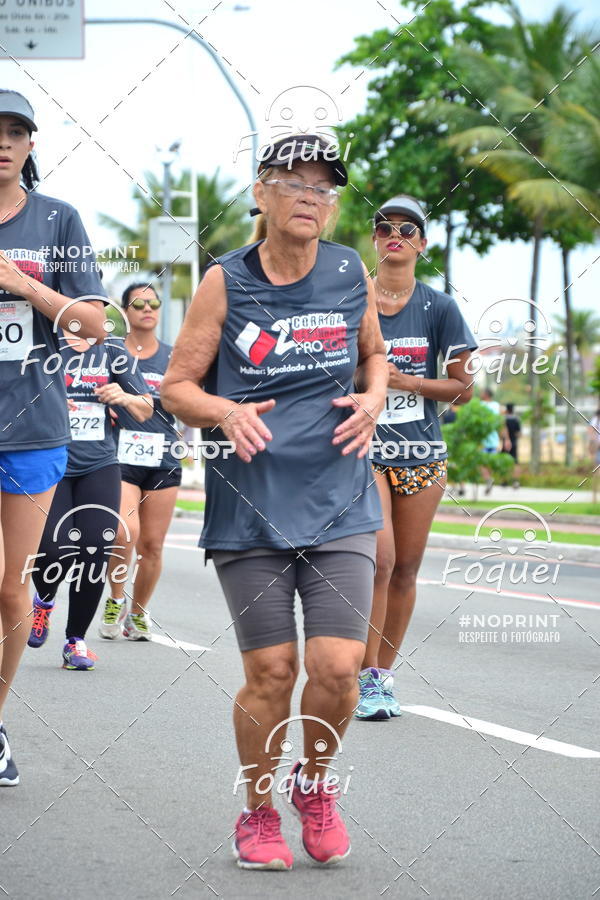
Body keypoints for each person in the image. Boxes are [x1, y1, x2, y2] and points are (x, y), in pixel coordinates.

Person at [161, 134, 387, 871]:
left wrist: (376, 397)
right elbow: (177, 387)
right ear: (261, 193)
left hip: (339, 498)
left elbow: (374, 353)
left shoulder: (352, 269)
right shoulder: (225, 281)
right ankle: (257, 812)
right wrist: (225, 412)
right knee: (271, 674)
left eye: (324, 189)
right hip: (250, 506)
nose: (310, 199)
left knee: (337, 667)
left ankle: (314, 786)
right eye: (294, 183)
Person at [0, 91, 106, 785]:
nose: (2, 143)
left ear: (31, 145)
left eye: (15, 132)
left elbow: (93, 323)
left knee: (10, 592)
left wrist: (20, 284)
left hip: (31, 426)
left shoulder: (58, 219)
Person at [359, 194, 475, 720]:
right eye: (386, 228)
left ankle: (383, 674)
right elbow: (326, 369)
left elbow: (462, 389)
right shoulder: (352, 301)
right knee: (379, 562)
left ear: (422, 243)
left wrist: (406, 382)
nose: (396, 236)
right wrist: (372, 381)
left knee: (406, 569)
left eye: (408, 230)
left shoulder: (439, 308)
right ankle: (362, 676)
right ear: (375, 240)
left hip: (422, 453)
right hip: (365, 452)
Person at [26, 329, 151, 669]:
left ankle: (74, 641)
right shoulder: (42, 340)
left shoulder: (112, 350)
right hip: (53, 462)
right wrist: (46, 400)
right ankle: (44, 601)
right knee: (54, 549)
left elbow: (146, 408)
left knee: (96, 548)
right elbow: (17, 398)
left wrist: (123, 397)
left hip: (100, 464)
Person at [101, 283, 182, 641]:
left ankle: (138, 613)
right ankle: (116, 600)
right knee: (123, 533)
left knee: (152, 545)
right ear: (126, 311)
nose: (147, 308)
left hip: (164, 457)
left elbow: (190, 400)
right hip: (120, 456)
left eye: (154, 303)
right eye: (139, 303)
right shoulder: (112, 353)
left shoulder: (174, 355)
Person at [481, 387, 502, 495]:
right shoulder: (497, 405)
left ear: (486, 394)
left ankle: (488, 479)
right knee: (490, 462)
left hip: (483, 440)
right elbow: (500, 421)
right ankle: (489, 478)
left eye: (482, 392)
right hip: (494, 439)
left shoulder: (481, 405)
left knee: (482, 463)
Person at [504, 402, 521, 488]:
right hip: (514, 443)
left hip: (505, 443)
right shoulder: (516, 419)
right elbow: (518, 433)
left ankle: (505, 481)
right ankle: (515, 481)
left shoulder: (504, 419)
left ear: (506, 409)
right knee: (515, 462)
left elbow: (503, 431)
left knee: (504, 462)